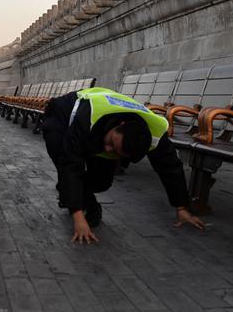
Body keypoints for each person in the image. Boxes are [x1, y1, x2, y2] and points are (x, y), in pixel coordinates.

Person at [41, 86, 205, 244]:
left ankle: (68, 191)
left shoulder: (155, 135)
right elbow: (70, 165)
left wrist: (182, 208)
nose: (108, 149)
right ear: (120, 124)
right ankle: (78, 200)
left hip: (98, 131)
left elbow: (170, 167)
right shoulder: (88, 117)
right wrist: (78, 217)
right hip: (63, 116)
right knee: (64, 160)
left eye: (115, 152)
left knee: (101, 181)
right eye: (111, 143)